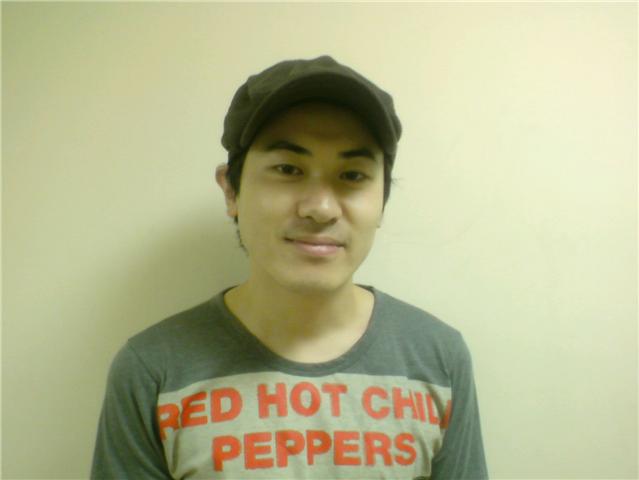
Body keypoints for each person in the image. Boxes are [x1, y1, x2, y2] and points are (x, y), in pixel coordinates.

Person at [91, 55, 488, 479]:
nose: (321, 208)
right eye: (288, 169)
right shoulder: (155, 370)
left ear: (382, 201)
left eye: (353, 176)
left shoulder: (437, 359)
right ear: (231, 192)